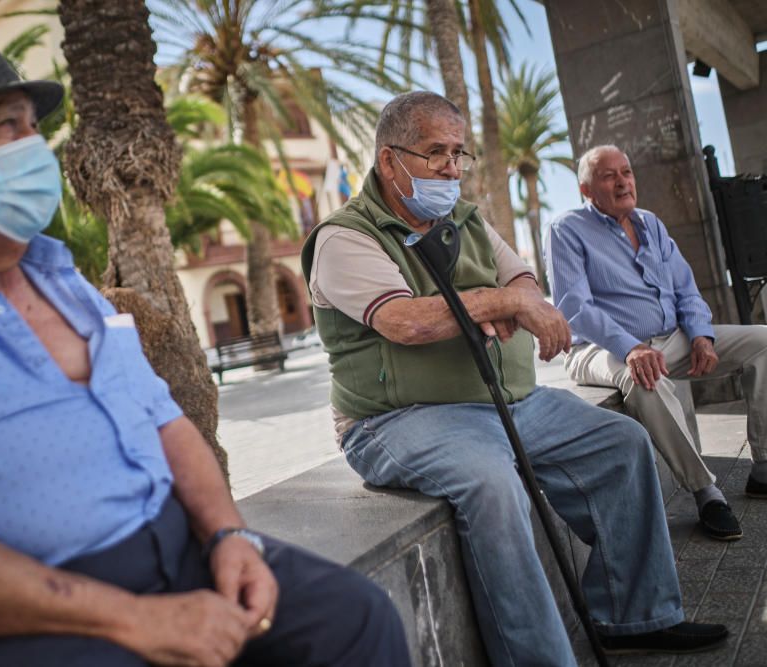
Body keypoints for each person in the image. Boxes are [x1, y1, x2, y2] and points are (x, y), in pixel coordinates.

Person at [0, 21, 410, 667]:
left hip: (175, 558)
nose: (38, 146)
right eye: (8, 127)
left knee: (354, 620)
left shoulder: (54, 275)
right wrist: (137, 620)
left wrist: (229, 532)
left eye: (33, 125)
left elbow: (162, 419)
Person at [301, 91, 729, 665]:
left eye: (459, 154)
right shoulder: (343, 237)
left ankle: (634, 616)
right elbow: (404, 320)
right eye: (436, 154)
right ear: (388, 161)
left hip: (508, 403)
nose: (452, 169)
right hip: (396, 420)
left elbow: (523, 282)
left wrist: (510, 301)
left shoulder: (467, 220)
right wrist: (497, 304)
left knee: (622, 443)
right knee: (491, 483)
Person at [547, 144, 767, 542]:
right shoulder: (567, 228)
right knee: (642, 376)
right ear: (585, 189)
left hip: (671, 339)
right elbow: (573, 307)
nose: (622, 181)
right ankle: (706, 492)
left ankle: (764, 467)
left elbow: (686, 289)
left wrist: (700, 333)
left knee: (763, 340)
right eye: (608, 175)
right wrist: (630, 346)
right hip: (599, 349)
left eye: (626, 172)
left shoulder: (651, 223)